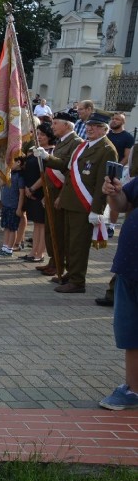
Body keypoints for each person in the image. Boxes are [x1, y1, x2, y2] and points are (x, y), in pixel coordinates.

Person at [34, 112, 117, 293]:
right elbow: (68, 170)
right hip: (71, 201)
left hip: (85, 204)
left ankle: (78, 281)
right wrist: (47, 157)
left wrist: (97, 209)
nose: (90, 128)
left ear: (105, 129)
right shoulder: (84, 146)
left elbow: (103, 182)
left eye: (95, 126)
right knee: (69, 241)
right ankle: (70, 274)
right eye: (89, 125)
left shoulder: (106, 149)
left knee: (78, 245)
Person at [98, 173, 138, 410]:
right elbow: (124, 204)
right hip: (129, 266)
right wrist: (115, 193)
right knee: (129, 331)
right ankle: (132, 389)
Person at [36, 112, 82, 277]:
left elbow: (68, 169)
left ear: (67, 125)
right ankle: (53, 260)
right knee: (51, 228)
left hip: (62, 191)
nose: (52, 126)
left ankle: (59, 264)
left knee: (59, 230)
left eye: (56, 123)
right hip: (52, 190)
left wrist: (47, 156)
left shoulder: (76, 142)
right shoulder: (62, 141)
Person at [19, 122, 57, 263]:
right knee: (36, 224)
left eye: (42, 134)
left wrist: (33, 188)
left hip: (40, 191)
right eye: (38, 133)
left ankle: (39, 253)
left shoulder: (51, 152)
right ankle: (33, 251)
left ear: (49, 136)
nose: (39, 136)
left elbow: (46, 174)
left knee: (42, 224)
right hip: (30, 190)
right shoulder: (36, 149)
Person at [106, 113, 134, 234]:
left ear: (123, 122)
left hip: (118, 171)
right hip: (103, 169)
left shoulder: (128, 137)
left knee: (114, 196)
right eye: (113, 119)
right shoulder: (107, 135)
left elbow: (127, 156)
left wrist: (116, 169)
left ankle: (112, 226)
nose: (114, 121)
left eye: (117, 119)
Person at [0, 157, 24, 257]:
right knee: (6, 227)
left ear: (19, 162)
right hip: (6, 205)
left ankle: (9, 249)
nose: (9, 164)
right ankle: (4, 247)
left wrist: (19, 208)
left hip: (14, 206)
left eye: (11, 162)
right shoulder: (9, 174)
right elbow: (2, 185)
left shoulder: (20, 176)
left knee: (12, 228)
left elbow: (21, 194)